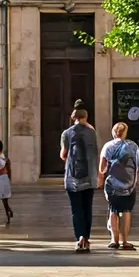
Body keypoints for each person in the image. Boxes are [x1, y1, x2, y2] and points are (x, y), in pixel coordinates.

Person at [97, 122, 139, 250]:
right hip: (129, 185)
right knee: (127, 211)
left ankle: (114, 239)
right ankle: (125, 241)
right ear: (125, 133)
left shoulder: (108, 146)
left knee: (113, 210)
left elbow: (102, 167)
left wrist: (102, 177)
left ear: (114, 132)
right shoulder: (133, 146)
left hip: (113, 185)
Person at [60, 105, 99, 253]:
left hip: (73, 178)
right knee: (87, 208)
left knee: (76, 210)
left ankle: (80, 238)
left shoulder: (67, 133)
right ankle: (87, 239)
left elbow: (63, 154)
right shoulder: (92, 132)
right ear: (86, 117)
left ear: (73, 117)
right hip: (90, 176)